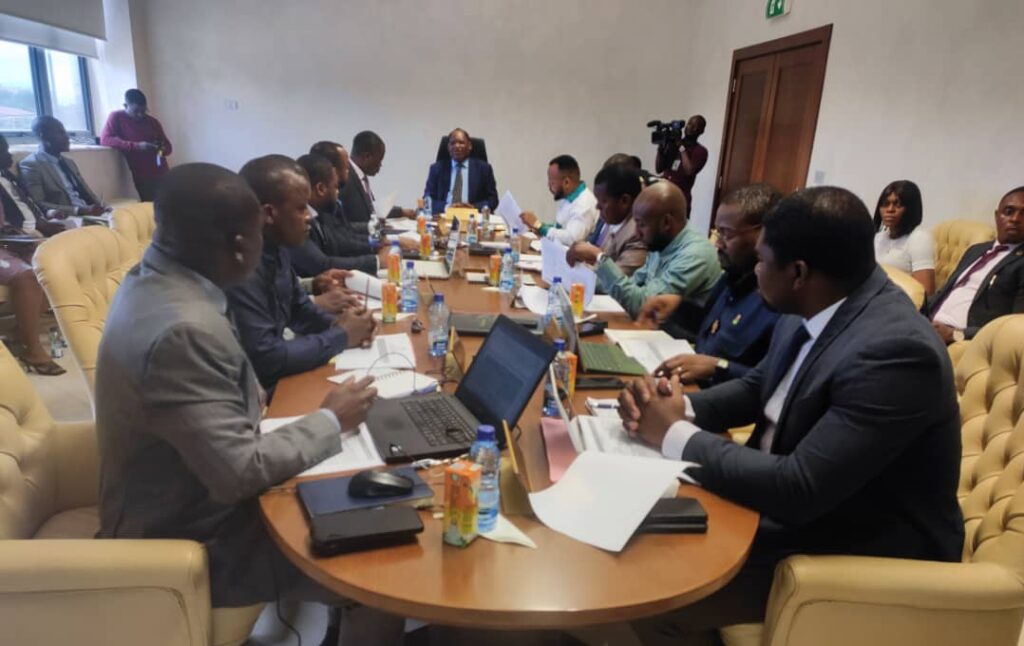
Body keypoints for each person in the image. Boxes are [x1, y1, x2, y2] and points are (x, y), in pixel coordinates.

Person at [620, 186, 963, 641]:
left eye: (762, 261)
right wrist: (672, 406)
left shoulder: (896, 352)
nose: (754, 270)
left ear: (798, 272)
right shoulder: (815, 299)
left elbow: (800, 487)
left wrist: (673, 434)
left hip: (854, 551)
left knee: (653, 587)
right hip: (786, 506)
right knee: (632, 530)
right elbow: (758, 386)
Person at [94, 163, 404, 644]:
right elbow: (239, 472)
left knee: (365, 493)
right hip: (194, 535)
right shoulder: (184, 331)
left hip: (192, 490)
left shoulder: (155, 279)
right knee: (381, 564)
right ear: (241, 244)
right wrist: (330, 419)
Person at [226, 155, 377, 392]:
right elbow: (267, 359)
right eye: (301, 208)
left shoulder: (277, 248)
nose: (310, 216)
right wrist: (342, 335)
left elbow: (300, 310)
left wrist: (343, 324)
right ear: (269, 214)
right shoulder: (242, 269)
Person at [637, 184, 782, 387]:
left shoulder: (778, 300)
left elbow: (771, 381)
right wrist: (676, 306)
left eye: (727, 234)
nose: (718, 244)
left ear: (762, 234)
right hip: (689, 387)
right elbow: (708, 331)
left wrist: (718, 366)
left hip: (719, 399)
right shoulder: (731, 278)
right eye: (717, 232)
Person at [567, 181, 720, 319]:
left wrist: (599, 257)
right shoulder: (662, 241)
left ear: (666, 222)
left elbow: (643, 306)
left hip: (680, 337)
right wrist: (578, 278)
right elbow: (633, 283)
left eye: (641, 224)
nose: (636, 232)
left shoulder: (694, 255)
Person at [927, 186, 1024, 344]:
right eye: (1008, 212)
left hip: (961, 339)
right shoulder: (976, 250)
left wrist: (955, 334)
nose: (1015, 219)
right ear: (997, 216)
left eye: (1023, 214)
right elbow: (945, 292)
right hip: (928, 325)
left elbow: (1015, 326)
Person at [290, 153, 379, 276]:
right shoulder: (293, 223)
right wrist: (377, 261)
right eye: (336, 187)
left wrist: (376, 245)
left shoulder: (321, 212)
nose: (338, 193)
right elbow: (321, 265)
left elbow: (340, 241)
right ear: (321, 189)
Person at [566, 162, 647, 276]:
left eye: (604, 201)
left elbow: (618, 282)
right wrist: (586, 257)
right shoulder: (616, 219)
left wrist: (595, 254)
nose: (597, 206)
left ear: (624, 201)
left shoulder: (638, 233)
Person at [18, 116, 108, 217]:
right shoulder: (31, 165)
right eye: (60, 133)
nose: (67, 137)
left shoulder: (68, 162)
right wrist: (79, 210)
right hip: (68, 217)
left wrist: (104, 207)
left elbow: (87, 192)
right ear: (44, 136)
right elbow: (37, 203)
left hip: (89, 213)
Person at [99, 88, 173, 201]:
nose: (140, 115)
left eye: (143, 111)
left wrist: (159, 149)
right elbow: (105, 139)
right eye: (136, 111)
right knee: (149, 206)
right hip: (142, 176)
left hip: (162, 172)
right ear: (125, 106)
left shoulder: (153, 122)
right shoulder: (116, 117)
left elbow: (168, 148)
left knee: (170, 203)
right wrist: (136, 146)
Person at [0, 134, 78, 237]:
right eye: (4, 151)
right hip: (23, 234)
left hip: (41, 224)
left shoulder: (7, 174)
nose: (10, 155)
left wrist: (50, 213)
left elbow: (28, 202)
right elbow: (8, 222)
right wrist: (39, 226)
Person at [520, 155, 599, 246]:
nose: (549, 186)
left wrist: (539, 225)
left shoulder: (584, 203)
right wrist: (538, 227)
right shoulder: (568, 196)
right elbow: (560, 228)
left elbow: (572, 239)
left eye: (552, 182)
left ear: (566, 182)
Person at [872, 180, 935, 294]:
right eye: (885, 204)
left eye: (898, 205)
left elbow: (925, 294)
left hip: (899, 302)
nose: (890, 209)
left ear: (911, 209)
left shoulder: (919, 238)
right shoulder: (878, 238)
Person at [339, 130, 413, 224]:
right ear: (367, 156)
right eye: (379, 160)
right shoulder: (345, 178)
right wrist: (374, 226)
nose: (380, 165)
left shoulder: (361, 177)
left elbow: (372, 209)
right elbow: (342, 225)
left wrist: (401, 212)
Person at [422, 127, 498, 215]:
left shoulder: (484, 169)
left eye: (461, 143)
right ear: (448, 147)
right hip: (444, 216)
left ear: (469, 146)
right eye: (452, 143)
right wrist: (447, 207)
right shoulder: (436, 168)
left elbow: (493, 200)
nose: (456, 146)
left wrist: (474, 207)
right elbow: (427, 199)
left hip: (473, 217)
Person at [656, 115, 708, 213]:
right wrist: (661, 149)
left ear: (701, 131)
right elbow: (659, 169)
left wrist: (681, 147)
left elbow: (689, 171)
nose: (691, 127)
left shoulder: (700, 151)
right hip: (663, 194)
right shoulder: (673, 144)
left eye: (695, 126)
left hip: (680, 199)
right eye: (690, 124)